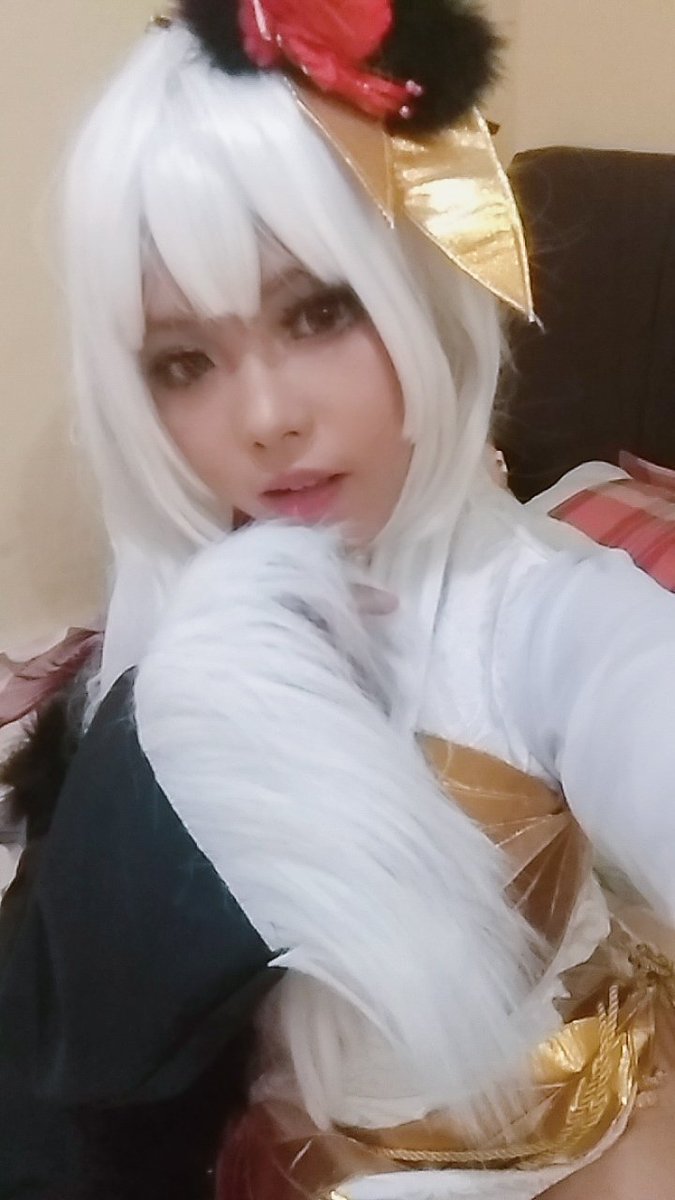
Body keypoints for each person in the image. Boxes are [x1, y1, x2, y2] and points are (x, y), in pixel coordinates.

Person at [1, 2, 675, 1198]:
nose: (266, 418)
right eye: (184, 362)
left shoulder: (535, 611)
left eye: (319, 312)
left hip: (569, 1142)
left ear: (414, 287)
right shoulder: (176, 601)